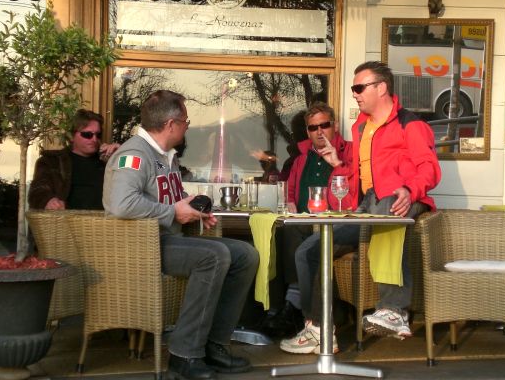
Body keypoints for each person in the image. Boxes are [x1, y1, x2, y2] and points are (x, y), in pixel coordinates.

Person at [280, 62, 440, 354]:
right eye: (354, 88)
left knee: (388, 207)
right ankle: (317, 327)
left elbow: (429, 168)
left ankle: (394, 310)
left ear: (381, 88)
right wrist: (338, 165)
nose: (354, 94)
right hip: (368, 205)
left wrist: (410, 189)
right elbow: (358, 179)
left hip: (403, 198)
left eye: (359, 87)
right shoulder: (361, 127)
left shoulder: (410, 124)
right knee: (310, 249)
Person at [103, 90, 259, 380]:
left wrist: (192, 209)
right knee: (214, 256)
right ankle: (184, 354)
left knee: (245, 254)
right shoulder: (134, 155)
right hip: (141, 247)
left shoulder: (166, 156)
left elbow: (168, 198)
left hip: (169, 240)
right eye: (186, 121)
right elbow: (121, 203)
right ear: (171, 124)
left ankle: (214, 344)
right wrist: (173, 212)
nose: (188, 126)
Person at [263, 102, 354, 338]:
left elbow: (353, 197)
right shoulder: (301, 159)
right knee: (277, 232)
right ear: (308, 132)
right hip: (304, 221)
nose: (320, 131)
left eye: (325, 125)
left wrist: (337, 164)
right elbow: (291, 192)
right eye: (314, 128)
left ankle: (294, 306)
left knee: (297, 236)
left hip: (338, 224)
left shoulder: (350, 152)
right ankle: (277, 307)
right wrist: (290, 203)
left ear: (335, 126)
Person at [28, 109, 120, 210]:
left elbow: (128, 187)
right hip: (66, 219)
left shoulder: (107, 161)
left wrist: (120, 155)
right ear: (72, 136)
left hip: (102, 219)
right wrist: (48, 201)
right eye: (87, 135)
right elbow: (37, 191)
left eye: (98, 135)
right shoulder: (52, 161)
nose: (94, 139)